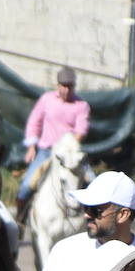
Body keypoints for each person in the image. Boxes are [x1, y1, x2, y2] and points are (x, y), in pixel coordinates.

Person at [16, 66, 92, 219]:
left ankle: (93, 220)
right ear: (57, 85)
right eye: (63, 86)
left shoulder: (81, 106)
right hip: (46, 152)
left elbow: (81, 131)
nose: (66, 90)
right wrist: (31, 147)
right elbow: (34, 123)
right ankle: (20, 220)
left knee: (93, 183)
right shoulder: (47, 100)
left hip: (70, 153)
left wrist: (67, 147)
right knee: (25, 187)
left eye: (69, 86)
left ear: (74, 87)